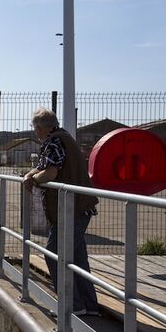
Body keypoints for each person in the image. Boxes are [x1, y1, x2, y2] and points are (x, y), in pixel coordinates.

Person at [23, 107, 101, 316]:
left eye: (35, 128)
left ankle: (72, 305)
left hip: (70, 209)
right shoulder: (62, 137)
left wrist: (33, 180)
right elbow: (42, 167)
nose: (35, 132)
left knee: (54, 254)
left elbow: (49, 172)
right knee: (77, 258)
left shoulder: (54, 142)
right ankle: (89, 306)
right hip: (79, 207)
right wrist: (31, 174)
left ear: (41, 128)